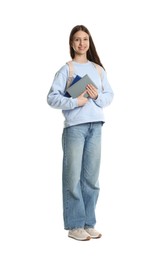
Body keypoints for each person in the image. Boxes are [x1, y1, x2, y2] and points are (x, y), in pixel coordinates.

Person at [47, 25, 114, 241]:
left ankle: (88, 223)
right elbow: (52, 98)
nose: (82, 43)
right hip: (75, 128)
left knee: (91, 179)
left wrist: (95, 97)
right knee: (73, 177)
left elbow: (109, 96)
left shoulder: (98, 69)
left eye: (85, 39)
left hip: (96, 126)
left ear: (89, 42)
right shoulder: (67, 69)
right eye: (77, 39)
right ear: (71, 43)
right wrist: (76, 101)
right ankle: (75, 226)